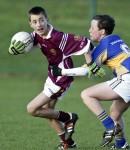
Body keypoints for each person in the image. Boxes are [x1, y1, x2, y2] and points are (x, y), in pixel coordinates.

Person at [8, 6, 105, 149]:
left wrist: (90, 63)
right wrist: (16, 50)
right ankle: (68, 143)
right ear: (30, 24)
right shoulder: (35, 35)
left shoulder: (58, 37)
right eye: (34, 22)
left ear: (47, 20)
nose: (39, 24)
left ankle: (69, 118)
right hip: (52, 76)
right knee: (48, 112)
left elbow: (86, 42)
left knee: (32, 109)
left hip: (61, 78)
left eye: (41, 20)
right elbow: (28, 43)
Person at [79, 14, 130, 149]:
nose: (89, 30)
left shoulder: (104, 45)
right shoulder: (116, 38)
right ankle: (121, 144)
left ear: (102, 31)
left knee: (86, 94)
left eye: (92, 27)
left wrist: (62, 72)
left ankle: (110, 127)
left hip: (129, 79)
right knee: (115, 113)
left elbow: (88, 69)